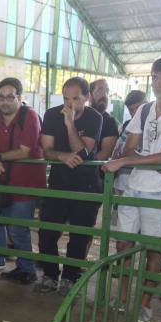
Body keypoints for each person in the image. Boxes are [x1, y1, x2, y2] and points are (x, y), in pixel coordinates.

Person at [103, 56, 161, 322]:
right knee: (123, 244)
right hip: (134, 185)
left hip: (159, 190)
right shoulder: (144, 110)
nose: (158, 83)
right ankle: (121, 298)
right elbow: (130, 148)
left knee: (153, 250)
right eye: (155, 77)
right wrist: (147, 160)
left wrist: (128, 161)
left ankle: (145, 304)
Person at [37, 77, 103, 294]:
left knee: (79, 235)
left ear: (87, 97)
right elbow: (47, 150)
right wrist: (61, 155)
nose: (70, 104)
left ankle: (69, 277)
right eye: (66, 98)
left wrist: (70, 124)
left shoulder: (95, 118)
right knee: (47, 230)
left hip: (86, 185)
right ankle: (49, 274)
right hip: (58, 182)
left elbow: (82, 152)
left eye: (76, 99)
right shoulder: (50, 114)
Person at [0, 77, 44, 285]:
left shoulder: (30, 117)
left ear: (19, 97)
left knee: (18, 228)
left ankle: (28, 270)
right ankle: (21, 266)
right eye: (2, 97)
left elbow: (24, 151)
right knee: (4, 223)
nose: (5, 101)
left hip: (26, 182)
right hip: (2, 180)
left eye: (10, 97)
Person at [111, 90, 147, 194]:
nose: (135, 113)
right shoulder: (126, 126)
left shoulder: (154, 126)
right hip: (122, 181)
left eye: (139, 108)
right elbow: (117, 151)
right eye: (131, 110)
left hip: (145, 183)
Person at [89, 79, 119, 162]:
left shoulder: (110, 121)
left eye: (107, 91)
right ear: (89, 95)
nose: (104, 95)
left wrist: (81, 168)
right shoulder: (78, 116)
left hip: (95, 172)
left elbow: (105, 154)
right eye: (100, 89)